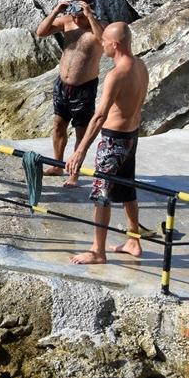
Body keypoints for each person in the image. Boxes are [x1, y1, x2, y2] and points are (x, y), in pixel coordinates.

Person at [65, 22, 149, 265]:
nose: (101, 45)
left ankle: (97, 251)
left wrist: (80, 151)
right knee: (127, 189)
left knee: (101, 193)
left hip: (113, 139)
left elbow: (100, 115)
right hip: (131, 135)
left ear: (115, 44)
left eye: (104, 42)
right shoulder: (141, 66)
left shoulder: (116, 75)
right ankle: (134, 240)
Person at [36, 0, 104, 187]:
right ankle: (58, 165)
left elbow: (105, 43)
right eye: (72, 10)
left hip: (84, 88)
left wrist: (89, 16)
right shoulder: (67, 22)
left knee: (81, 132)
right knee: (58, 124)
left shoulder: (97, 27)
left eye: (78, 11)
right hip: (62, 86)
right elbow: (40, 32)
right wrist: (56, 11)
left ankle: (73, 174)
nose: (74, 15)